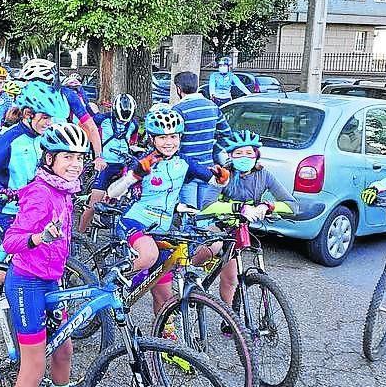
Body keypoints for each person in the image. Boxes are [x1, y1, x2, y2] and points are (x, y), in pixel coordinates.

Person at [2, 122, 93, 387]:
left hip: (51, 280)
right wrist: (39, 238)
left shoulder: (66, 188)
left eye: (80, 157)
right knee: (34, 364)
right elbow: (11, 241)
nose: (75, 163)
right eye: (67, 156)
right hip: (27, 283)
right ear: (50, 158)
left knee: (65, 350)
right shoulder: (41, 194)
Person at [107, 104, 230, 313]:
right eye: (163, 137)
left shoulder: (184, 163)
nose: (169, 142)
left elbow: (215, 182)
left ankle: (163, 338)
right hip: (136, 222)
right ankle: (110, 286)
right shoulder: (143, 162)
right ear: (153, 139)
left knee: (164, 295)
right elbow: (112, 193)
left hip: (163, 230)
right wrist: (133, 175)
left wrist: (222, 178)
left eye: (173, 137)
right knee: (148, 255)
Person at [193, 130, 296, 306]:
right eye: (238, 153)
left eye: (249, 153)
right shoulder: (224, 174)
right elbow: (206, 207)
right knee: (211, 248)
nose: (244, 157)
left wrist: (267, 206)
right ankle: (189, 272)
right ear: (231, 156)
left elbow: (292, 205)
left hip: (240, 229)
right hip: (218, 225)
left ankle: (231, 318)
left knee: (231, 279)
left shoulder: (264, 175)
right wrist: (238, 208)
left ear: (256, 154)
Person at [0, 81, 70, 246]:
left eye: (50, 118)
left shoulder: (46, 139)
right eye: (44, 117)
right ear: (28, 114)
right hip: (6, 211)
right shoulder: (9, 139)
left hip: (35, 210)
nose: (49, 123)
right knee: (13, 261)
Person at [19, 58, 105, 173]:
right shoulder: (27, 98)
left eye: (29, 82)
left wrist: (99, 156)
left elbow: (91, 126)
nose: (26, 85)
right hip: (33, 147)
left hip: (60, 149)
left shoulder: (67, 95)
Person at [77, 93, 140, 232]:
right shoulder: (102, 119)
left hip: (123, 165)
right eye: (120, 119)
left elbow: (133, 140)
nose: (123, 123)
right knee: (93, 205)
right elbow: (84, 124)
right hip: (105, 165)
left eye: (126, 121)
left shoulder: (133, 125)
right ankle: (78, 235)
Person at [173, 71, 233, 209]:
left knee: (188, 214)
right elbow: (226, 134)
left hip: (188, 171)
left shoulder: (178, 110)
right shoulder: (212, 106)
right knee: (204, 213)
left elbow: (173, 142)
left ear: (178, 88)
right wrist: (213, 152)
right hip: (209, 169)